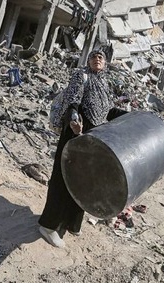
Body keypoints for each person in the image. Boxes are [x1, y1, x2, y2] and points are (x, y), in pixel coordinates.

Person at [38, 49, 127, 248]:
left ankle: (71, 222)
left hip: (92, 136)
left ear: (105, 63)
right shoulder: (81, 75)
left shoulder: (104, 83)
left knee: (83, 181)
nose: (97, 59)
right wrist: (73, 120)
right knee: (64, 177)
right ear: (88, 60)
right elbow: (73, 100)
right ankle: (48, 225)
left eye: (101, 57)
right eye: (94, 56)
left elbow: (108, 110)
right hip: (75, 130)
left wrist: (132, 116)